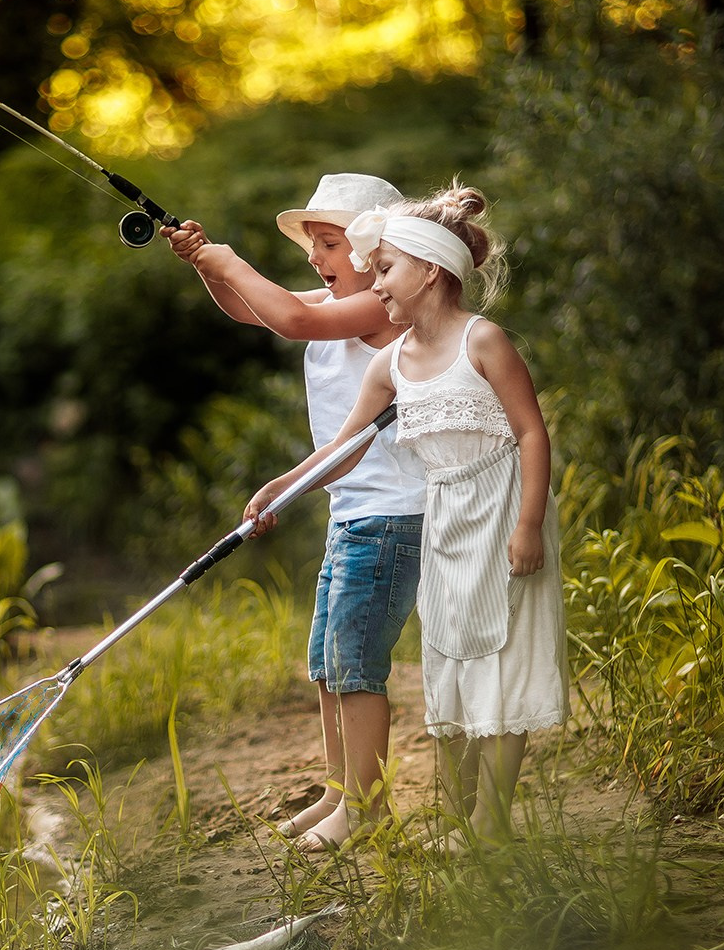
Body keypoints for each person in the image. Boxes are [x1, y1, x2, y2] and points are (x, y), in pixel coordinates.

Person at [243, 184, 567, 848]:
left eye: (385, 270)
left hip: (501, 513)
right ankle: (456, 817)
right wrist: (281, 487)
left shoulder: (485, 342)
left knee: (499, 662)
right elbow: (342, 448)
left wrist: (529, 524)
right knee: (448, 662)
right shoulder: (390, 363)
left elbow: (532, 434)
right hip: (444, 518)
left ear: (429, 271)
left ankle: (489, 820)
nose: (376, 286)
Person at [165, 174, 424, 853]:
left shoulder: (378, 309)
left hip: (392, 514)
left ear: (376, 252)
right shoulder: (339, 297)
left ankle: (366, 807)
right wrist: (207, 265)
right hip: (353, 510)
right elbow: (256, 310)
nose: (315, 256)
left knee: (356, 665)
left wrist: (227, 258)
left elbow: (294, 320)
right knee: (328, 663)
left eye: (330, 242)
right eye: (313, 243)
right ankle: (341, 793)